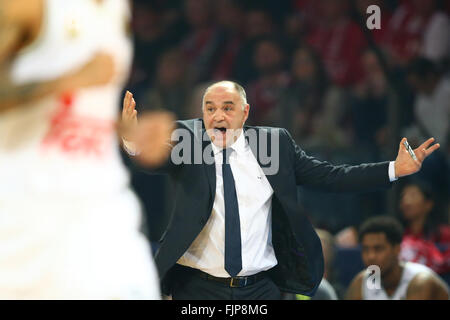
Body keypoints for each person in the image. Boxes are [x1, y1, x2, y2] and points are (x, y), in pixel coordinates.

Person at [122, 80, 440, 300]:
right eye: (209, 108)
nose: (217, 115)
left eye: (228, 107)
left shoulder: (275, 145)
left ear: (245, 113)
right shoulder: (188, 141)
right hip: (198, 287)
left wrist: (395, 169)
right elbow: (155, 158)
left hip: (260, 288)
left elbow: (331, 177)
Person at [0, 0, 173, 299]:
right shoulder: (25, 6)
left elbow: (84, 110)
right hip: (26, 209)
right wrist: (68, 81)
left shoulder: (117, 9)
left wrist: (130, 133)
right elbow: (76, 84)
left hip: (102, 205)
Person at [345, 216, 449, 300]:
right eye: (366, 249)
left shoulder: (421, 281)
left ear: (397, 249)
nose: (371, 256)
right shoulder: (361, 283)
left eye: (378, 249)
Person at [398, 180, 450, 274]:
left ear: (428, 204)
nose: (406, 201)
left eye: (412, 195)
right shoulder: (398, 235)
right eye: (403, 196)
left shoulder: (444, 234)